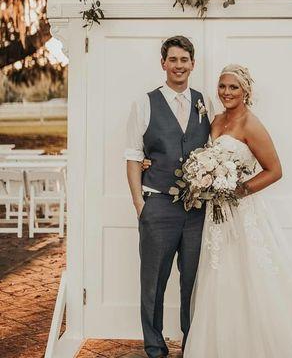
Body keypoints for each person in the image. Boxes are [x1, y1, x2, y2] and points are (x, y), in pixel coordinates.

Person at [183, 64, 292, 358]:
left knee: (254, 273)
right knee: (221, 275)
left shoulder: (251, 124)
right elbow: (204, 157)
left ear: (246, 92)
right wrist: (205, 179)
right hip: (216, 217)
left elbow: (275, 170)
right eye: (223, 86)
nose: (226, 92)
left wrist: (238, 190)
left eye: (233, 87)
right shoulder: (215, 120)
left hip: (243, 213)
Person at [125, 35, 213, 358]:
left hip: (196, 209)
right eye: (172, 60)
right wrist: (140, 205)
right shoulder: (145, 103)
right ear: (163, 63)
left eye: (184, 60)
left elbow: (213, 147)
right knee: (153, 282)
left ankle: (193, 344)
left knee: (192, 280)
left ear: (193, 64)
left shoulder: (205, 103)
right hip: (158, 204)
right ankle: (155, 347)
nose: (179, 66)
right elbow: (133, 156)